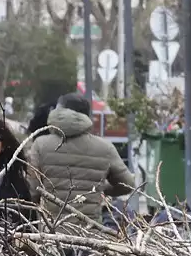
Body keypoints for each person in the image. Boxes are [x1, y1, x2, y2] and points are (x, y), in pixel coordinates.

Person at [27, 93, 135, 224]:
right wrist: (100, 189)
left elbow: (31, 191)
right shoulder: (105, 148)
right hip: (91, 233)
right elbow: (128, 184)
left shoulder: (40, 144)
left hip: (52, 234)